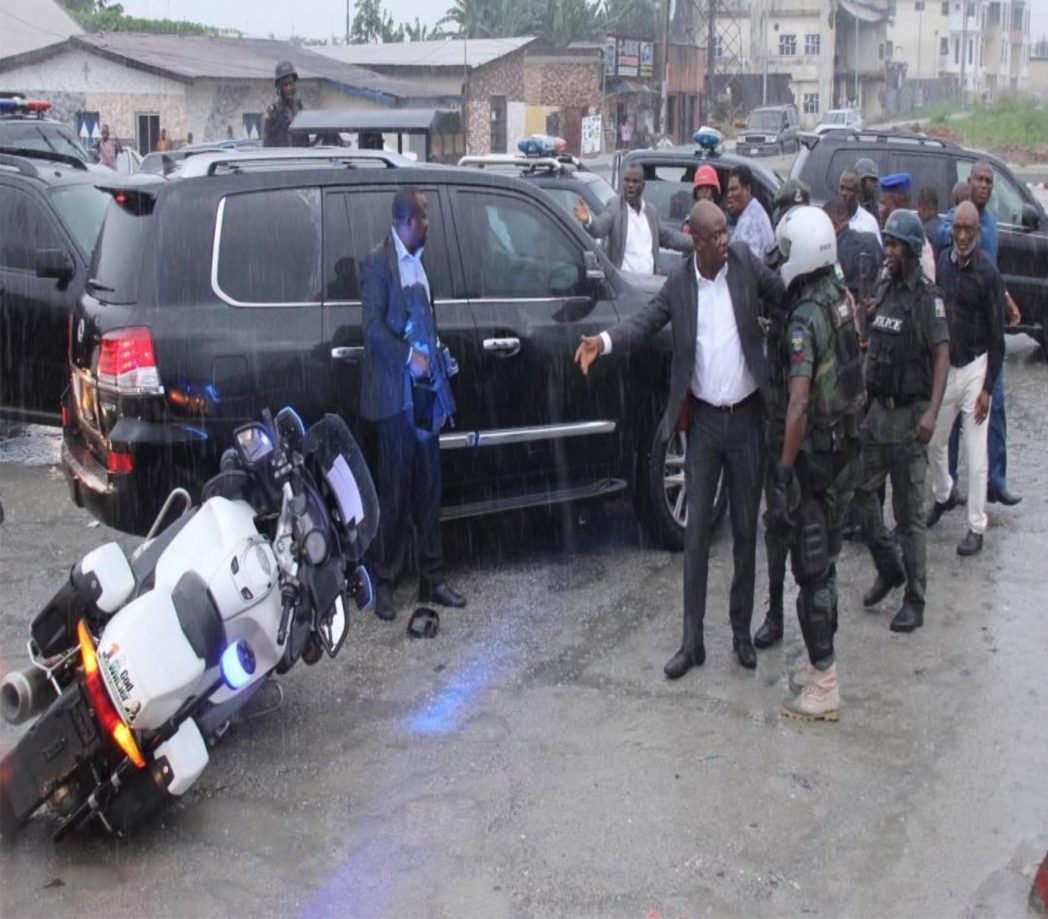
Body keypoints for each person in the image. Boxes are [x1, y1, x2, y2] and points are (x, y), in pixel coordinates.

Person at [574, 200, 784, 677]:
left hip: (748, 419)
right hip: (705, 426)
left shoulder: (746, 265)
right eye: (715, 236)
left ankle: (740, 633)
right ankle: (692, 644)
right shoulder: (680, 283)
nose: (724, 240)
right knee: (695, 539)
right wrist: (602, 343)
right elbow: (644, 321)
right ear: (696, 239)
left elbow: (787, 293)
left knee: (746, 531)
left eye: (726, 233)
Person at [764, 207, 864, 720]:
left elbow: (799, 403)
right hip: (846, 450)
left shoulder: (805, 317)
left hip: (816, 460)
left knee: (811, 568)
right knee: (825, 562)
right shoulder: (840, 298)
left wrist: (782, 471)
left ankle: (825, 683)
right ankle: (820, 664)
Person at [360, 186, 466, 621]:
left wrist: (438, 355)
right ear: (406, 221)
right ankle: (384, 582)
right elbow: (370, 329)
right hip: (395, 399)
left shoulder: (419, 266)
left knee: (429, 489)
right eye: (423, 216)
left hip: (424, 398)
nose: (428, 223)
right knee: (395, 491)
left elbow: (424, 323)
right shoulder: (379, 264)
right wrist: (410, 357)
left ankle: (432, 578)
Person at [854, 209, 949, 633]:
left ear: (911, 249)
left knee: (909, 515)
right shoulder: (884, 288)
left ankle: (915, 598)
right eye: (886, 242)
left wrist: (931, 411)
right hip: (877, 415)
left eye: (894, 244)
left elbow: (942, 355)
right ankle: (888, 568)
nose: (887, 251)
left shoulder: (928, 299)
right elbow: (873, 342)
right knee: (860, 494)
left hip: (910, 418)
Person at [934, 160, 1021, 506]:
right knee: (951, 419)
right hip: (958, 337)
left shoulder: (992, 226)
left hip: (986, 340)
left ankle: (995, 482)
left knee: (993, 407)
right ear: (968, 183)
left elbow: (991, 273)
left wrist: (1007, 299)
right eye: (978, 180)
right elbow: (941, 237)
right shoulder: (958, 221)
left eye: (989, 181)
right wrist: (958, 226)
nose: (983, 185)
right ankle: (949, 487)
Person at [926, 201, 1005, 556]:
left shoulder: (989, 275)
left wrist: (987, 388)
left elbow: (999, 340)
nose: (961, 236)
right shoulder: (943, 262)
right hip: (947, 368)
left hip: (976, 367)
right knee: (934, 440)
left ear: (978, 232)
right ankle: (944, 494)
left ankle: (976, 526)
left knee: (975, 453)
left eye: (968, 230)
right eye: (957, 228)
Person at [573, 164, 693, 275]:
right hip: (624, 286)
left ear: (643, 185)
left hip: (649, 285)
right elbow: (600, 227)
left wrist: (699, 242)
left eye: (635, 181)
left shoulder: (651, 213)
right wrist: (588, 220)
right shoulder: (614, 207)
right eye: (627, 180)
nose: (630, 185)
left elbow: (672, 238)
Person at [823, 196, 882, 308]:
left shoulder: (830, 252)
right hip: (874, 308)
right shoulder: (871, 240)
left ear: (833, 223)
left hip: (845, 311)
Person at [878, 173, 936, 280]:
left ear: (897, 205)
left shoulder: (917, 242)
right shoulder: (886, 235)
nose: (879, 210)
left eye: (883, 203)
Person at [727, 164, 774, 259]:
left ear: (747, 190)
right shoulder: (751, 212)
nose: (729, 195)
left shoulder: (751, 222)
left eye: (734, 189)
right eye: (729, 190)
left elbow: (749, 267)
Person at [263, 60, 309, 148]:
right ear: (279, 87)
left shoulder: (299, 108)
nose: (289, 88)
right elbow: (266, 144)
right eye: (285, 85)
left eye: (291, 83)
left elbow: (305, 140)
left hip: (300, 158)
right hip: (281, 159)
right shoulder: (272, 111)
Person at [838, 168, 882, 244]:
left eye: (849, 189)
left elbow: (876, 253)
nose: (844, 193)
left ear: (858, 193)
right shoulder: (830, 219)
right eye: (842, 188)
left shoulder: (869, 222)